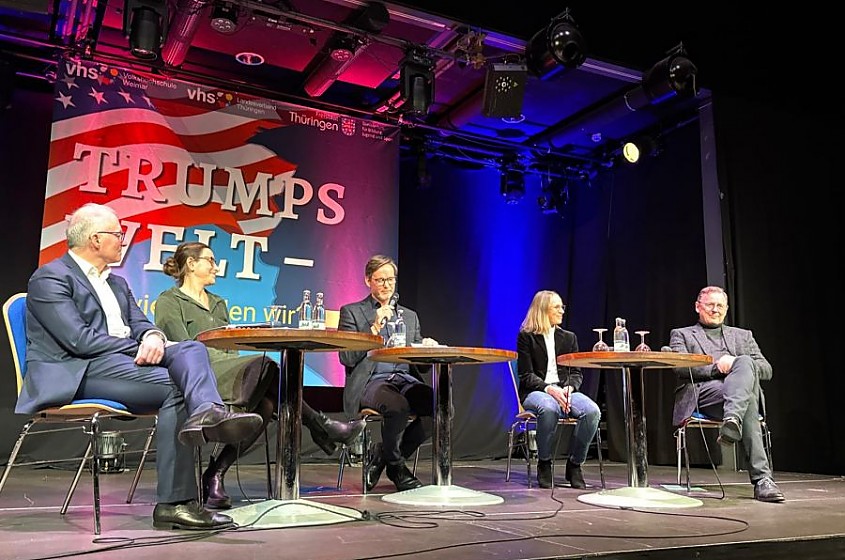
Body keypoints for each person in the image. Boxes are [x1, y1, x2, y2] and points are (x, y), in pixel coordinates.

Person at [17, 203, 263, 530]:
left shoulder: (117, 284)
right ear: (94, 240)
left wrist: (152, 335)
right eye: (117, 234)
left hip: (120, 364)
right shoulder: (50, 277)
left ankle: (208, 410)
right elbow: (78, 341)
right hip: (78, 370)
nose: (123, 240)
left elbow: (141, 322)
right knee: (175, 389)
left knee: (190, 348)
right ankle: (175, 502)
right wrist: (143, 345)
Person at [154, 241, 366, 509]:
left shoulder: (218, 303)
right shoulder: (169, 301)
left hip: (229, 370)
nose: (215, 266)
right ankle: (321, 426)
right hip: (196, 376)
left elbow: (230, 349)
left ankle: (215, 473)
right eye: (209, 260)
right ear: (191, 264)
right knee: (271, 370)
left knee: (266, 403)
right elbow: (181, 350)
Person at [669, 285, 784, 503]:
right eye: (710, 304)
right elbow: (679, 367)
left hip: (735, 398)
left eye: (720, 305)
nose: (715, 309)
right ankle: (763, 480)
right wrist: (718, 367)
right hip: (705, 394)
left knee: (746, 371)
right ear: (697, 306)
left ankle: (732, 420)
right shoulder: (682, 334)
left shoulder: (743, 336)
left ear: (727, 308)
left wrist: (738, 364)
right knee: (747, 395)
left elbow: (767, 369)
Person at [337, 254, 437, 492]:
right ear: (368, 281)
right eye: (380, 280)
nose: (386, 286)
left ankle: (386, 455)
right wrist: (374, 328)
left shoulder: (409, 316)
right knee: (397, 407)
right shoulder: (352, 312)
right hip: (371, 381)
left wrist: (426, 349)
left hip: (404, 379)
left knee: (440, 406)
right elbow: (347, 358)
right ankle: (397, 468)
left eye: (390, 280)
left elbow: (419, 365)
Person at [516, 290, 601, 489]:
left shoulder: (569, 338)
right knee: (548, 408)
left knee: (592, 411)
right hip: (537, 392)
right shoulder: (526, 337)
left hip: (565, 390)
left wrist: (569, 388)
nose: (562, 311)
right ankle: (544, 462)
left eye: (562, 306)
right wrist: (550, 389)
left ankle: (575, 464)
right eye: (557, 307)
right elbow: (526, 375)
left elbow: (576, 372)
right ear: (543, 309)